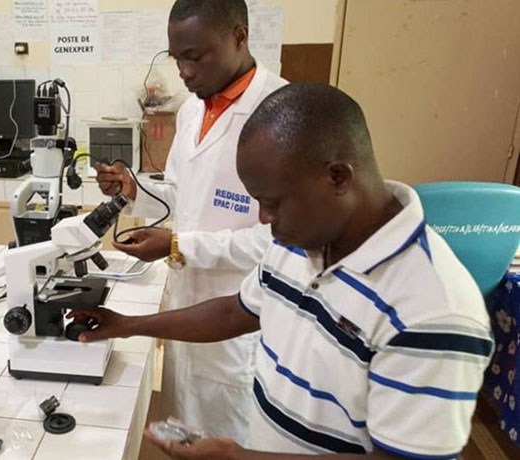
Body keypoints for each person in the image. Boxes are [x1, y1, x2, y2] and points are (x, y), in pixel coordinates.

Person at [74, 82, 493, 459]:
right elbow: (233, 312)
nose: (263, 218)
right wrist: (126, 325)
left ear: (338, 177)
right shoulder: (299, 242)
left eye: (273, 203)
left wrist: (238, 458)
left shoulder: (435, 310)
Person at [94, 0, 287, 446]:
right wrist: (133, 187)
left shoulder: (279, 112)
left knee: (233, 440)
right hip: (188, 308)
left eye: (195, 56)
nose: (182, 71)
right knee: (184, 435)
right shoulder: (192, 111)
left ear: (239, 37)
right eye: (175, 57)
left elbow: (278, 240)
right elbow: (183, 195)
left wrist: (178, 244)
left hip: (242, 315)